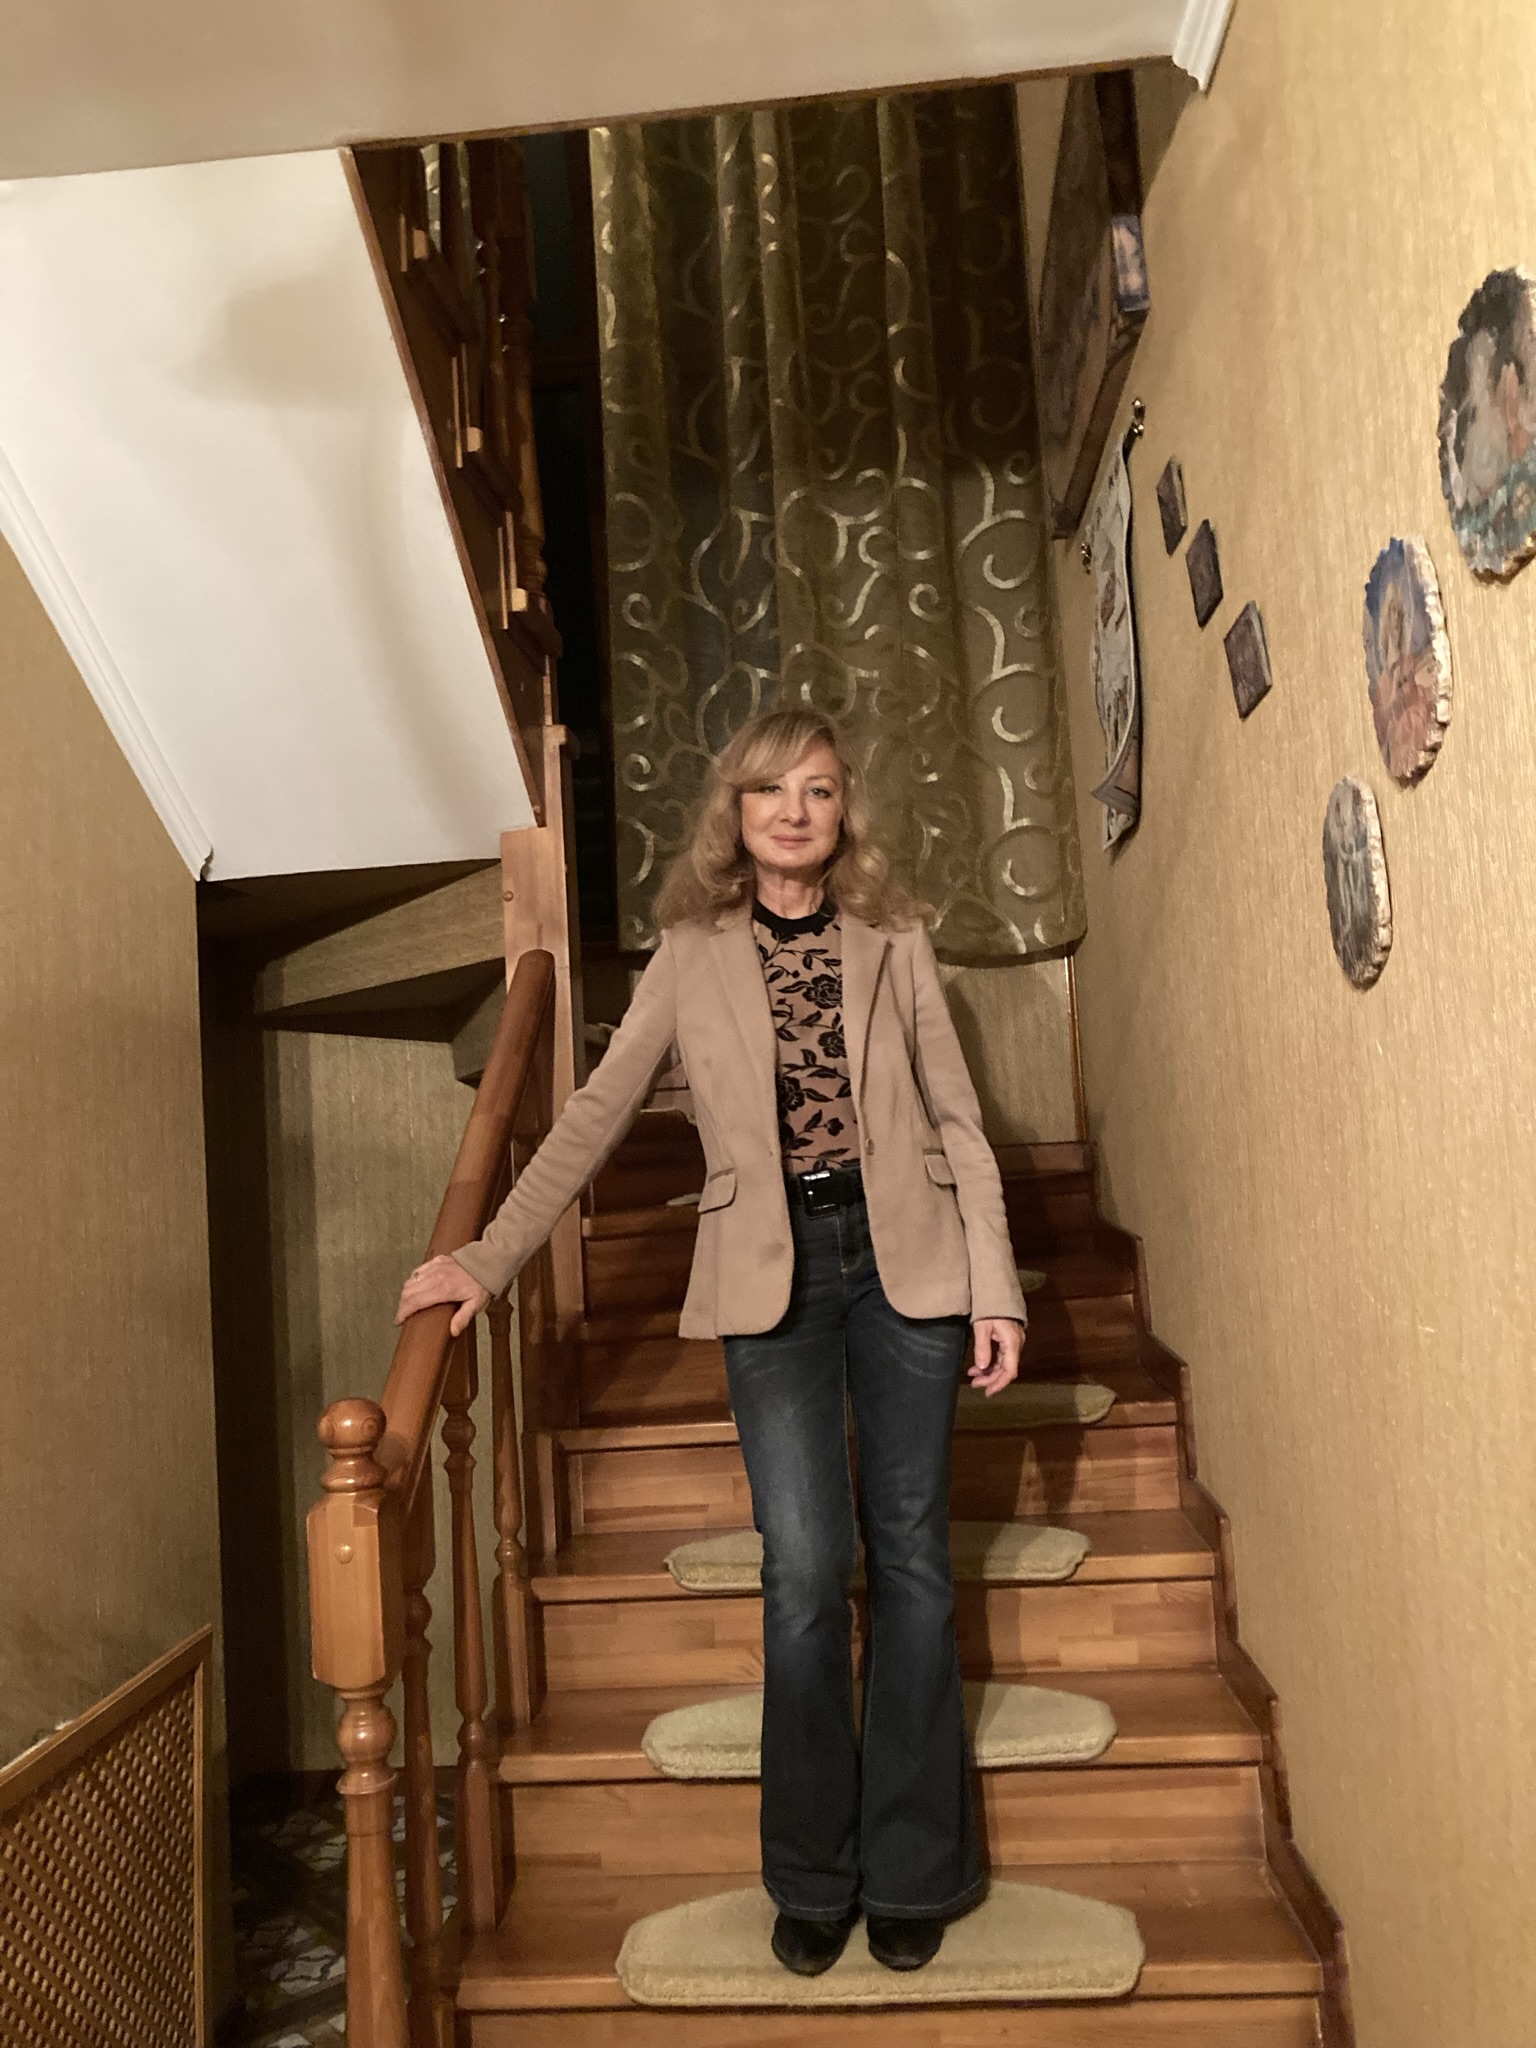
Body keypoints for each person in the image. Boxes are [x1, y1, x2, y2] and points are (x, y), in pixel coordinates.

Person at [397, 708, 1027, 1976]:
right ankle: (812, 1874)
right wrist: (488, 1255)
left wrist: (996, 1287)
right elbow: (592, 1115)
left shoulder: (897, 939)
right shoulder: (688, 956)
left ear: (844, 813)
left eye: (820, 789)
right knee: (806, 1570)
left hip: (906, 1260)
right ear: (734, 813)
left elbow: (958, 1121)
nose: (795, 810)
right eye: (770, 789)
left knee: (912, 1561)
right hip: (771, 1277)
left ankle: (915, 1867)